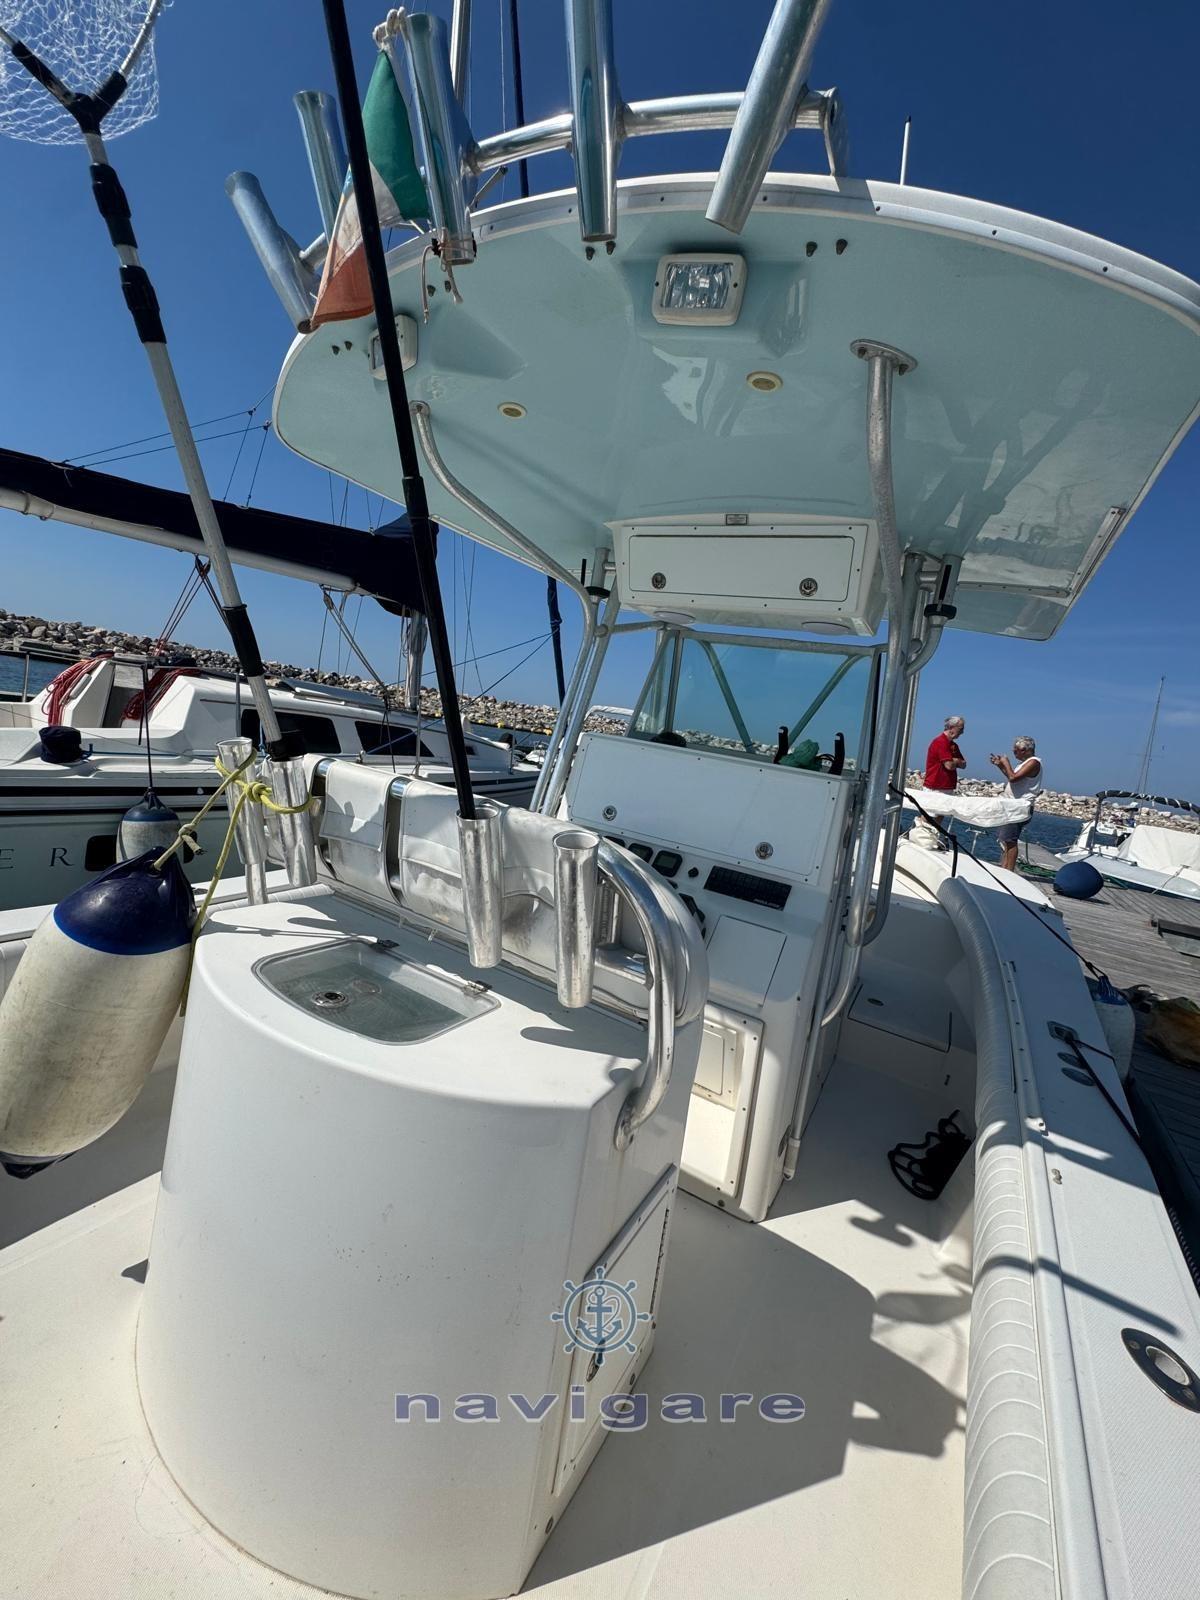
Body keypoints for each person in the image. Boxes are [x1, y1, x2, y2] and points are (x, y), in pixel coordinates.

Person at [990, 736, 1042, 871]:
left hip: (1019, 807)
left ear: (1024, 750)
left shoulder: (1033, 762)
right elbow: (1011, 776)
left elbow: (1013, 778)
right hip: (1012, 805)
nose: (1014, 753)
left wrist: (1006, 762)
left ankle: (1008, 871)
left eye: (1016, 751)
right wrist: (1000, 766)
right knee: (1005, 840)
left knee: (1010, 841)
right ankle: (1004, 868)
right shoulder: (1024, 763)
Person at [923, 715, 966, 829]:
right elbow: (949, 765)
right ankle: (919, 834)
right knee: (928, 816)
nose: (962, 732)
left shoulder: (953, 746)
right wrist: (956, 761)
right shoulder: (940, 742)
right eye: (961, 729)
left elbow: (964, 764)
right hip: (935, 786)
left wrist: (955, 761)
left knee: (940, 815)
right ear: (951, 727)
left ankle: (932, 835)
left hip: (947, 786)